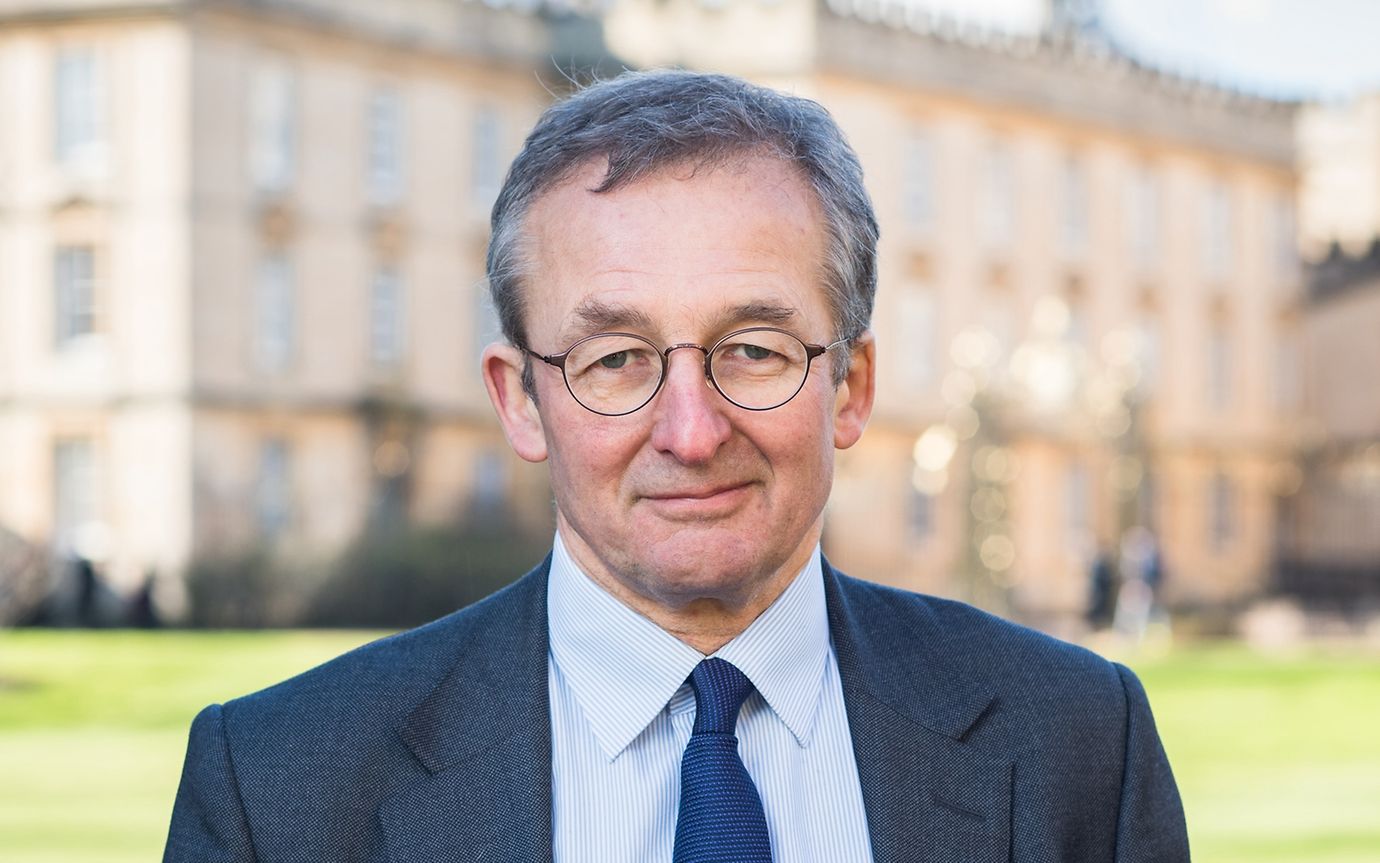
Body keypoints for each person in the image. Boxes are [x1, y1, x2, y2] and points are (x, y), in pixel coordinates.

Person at [165, 70, 1189, 862]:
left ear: (851, 385)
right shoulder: (280, 783)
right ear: (521, 399)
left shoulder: (1081, 745)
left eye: (754, 347)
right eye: (616, 360)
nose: (692, 431)